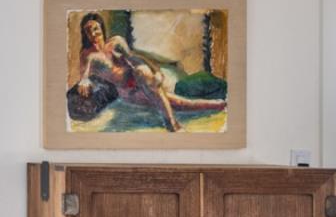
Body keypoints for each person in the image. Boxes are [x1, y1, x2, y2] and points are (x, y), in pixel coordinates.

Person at [73, 12, 225, 132]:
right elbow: (84, 75)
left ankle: (171, 123)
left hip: (139, 75)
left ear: (101, 28)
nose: (93, 34)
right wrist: (84, 81)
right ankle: (216, 105)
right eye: (88, 31)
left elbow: (135, 58)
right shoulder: (88, 56)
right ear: (84, 34)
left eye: (95, 29)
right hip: (127, 90)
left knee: (141, 71)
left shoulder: (116, 42)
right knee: (177, 103)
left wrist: (156, 71)